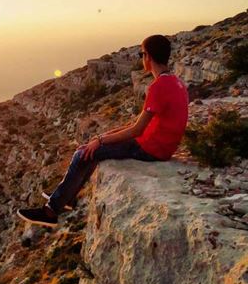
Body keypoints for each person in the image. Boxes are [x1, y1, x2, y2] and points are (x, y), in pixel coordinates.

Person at [17, 34, 189, 227]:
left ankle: (50, 212)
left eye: (141, 54)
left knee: (83, 154)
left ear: (148, 56)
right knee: (89, 148)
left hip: (150, 149)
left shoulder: (158, 87)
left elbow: (137, 131)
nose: (141, 58)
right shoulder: (176, 83)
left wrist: (99, 141)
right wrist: (103, 137)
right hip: (161, 146)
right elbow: (141, 125)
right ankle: (67, 197)